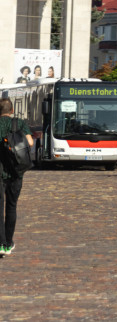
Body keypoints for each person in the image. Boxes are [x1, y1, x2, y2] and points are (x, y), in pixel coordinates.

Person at [0, 98, 33, 257]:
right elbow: (30, 142)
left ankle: (0, 243)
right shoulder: (19, 123)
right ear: (11, 110)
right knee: (11, 207)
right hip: (15, 171)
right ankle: (8, 243)